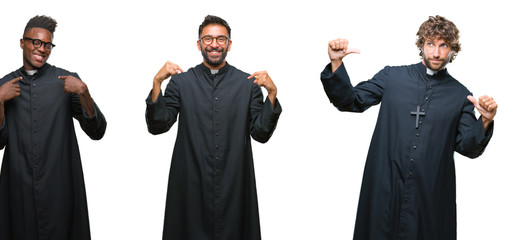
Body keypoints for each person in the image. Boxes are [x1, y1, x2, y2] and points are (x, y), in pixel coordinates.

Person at [320, 15, 497, 240]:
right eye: (431, 43)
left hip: (429, 195)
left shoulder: (461, 95)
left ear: (453, 50)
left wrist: (486, 120)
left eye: (444, 46)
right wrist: (336, 63)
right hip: (384, 185)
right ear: (421, 44)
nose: (436, 52)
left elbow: (468, 148)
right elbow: (350, 101)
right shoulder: (392, 76)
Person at [146, 15, 282, 240]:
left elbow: (261, 134)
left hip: (234, 183)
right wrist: (157, 83)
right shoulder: (181, 82)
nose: (214, 44)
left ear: (229, 44)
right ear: (199, 44)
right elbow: (158, 125)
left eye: (221, 39)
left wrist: (272, 94)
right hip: (190, 183)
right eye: (208, 39)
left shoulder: (248, 84)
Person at [0, 15, 106, 240]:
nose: (42, 49)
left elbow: (97, 131)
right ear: (22, 42)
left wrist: (84, 92)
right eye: (36, 42)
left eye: (48, 44)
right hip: (19, 188)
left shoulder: (67, 81)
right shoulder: (3, 86)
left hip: (60, 187)